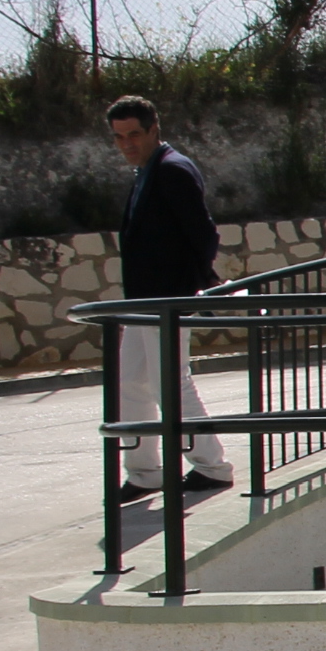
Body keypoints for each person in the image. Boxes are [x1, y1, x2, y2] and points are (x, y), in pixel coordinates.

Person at [106, 95, 235, 501]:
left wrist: (191, 288)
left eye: (134, 135)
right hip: (143, 301)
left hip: (166, 299)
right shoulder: (147, 172)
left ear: (153, 129)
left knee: (170, 385)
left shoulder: (172, 170)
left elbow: (204, 235)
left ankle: (212, 467)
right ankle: (145, 473)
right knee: (129, 382)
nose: (127, 143)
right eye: (119, 137)